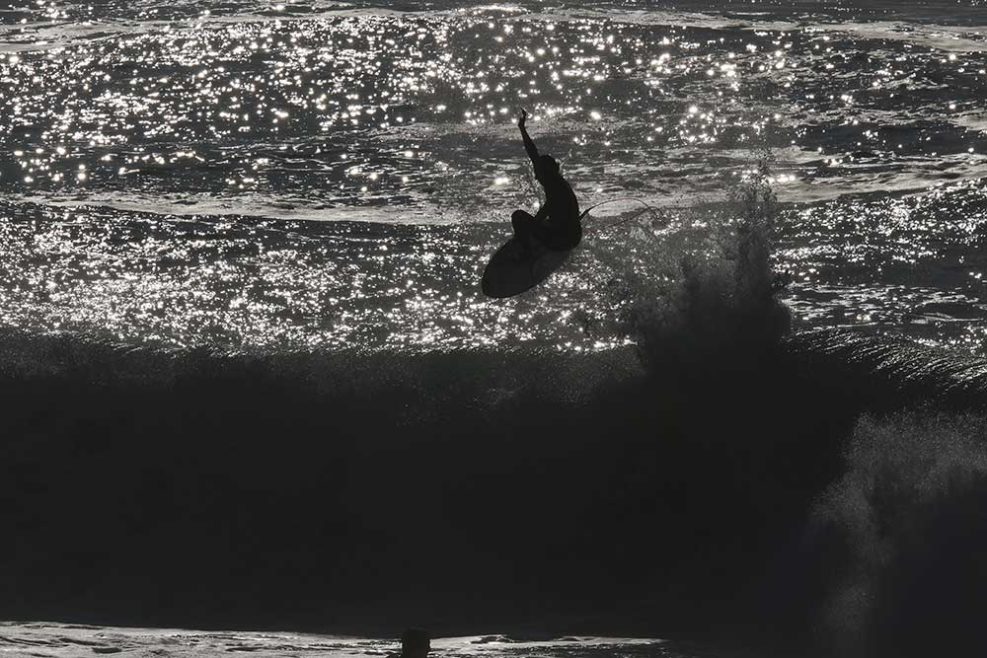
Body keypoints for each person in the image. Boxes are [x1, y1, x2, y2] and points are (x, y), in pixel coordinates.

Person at [511, 108, 582, 254]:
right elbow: (533, 153)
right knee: (542, 223)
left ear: (546, 172)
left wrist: (531, 227)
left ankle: (526, 252)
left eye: (538, 173)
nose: (536, 177)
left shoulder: (556, 188)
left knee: (518, 217)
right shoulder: (556, 181)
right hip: (568, 234)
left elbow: (545, 212)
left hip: (565, 239)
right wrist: (522, 128)